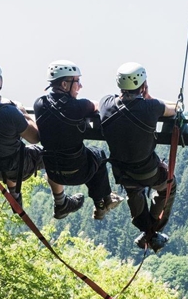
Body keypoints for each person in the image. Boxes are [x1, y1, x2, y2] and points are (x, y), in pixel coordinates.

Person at [0, 60, 76, 212]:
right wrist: (23, 113)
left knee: (5, 149)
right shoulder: (10, 113)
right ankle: (61, 203)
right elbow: (35, 137)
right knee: (53, 156)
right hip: (18, 166)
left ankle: (15, 195)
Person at [98, 62, 178, 252]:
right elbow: (175, 108)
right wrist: (148, 97)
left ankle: (148, 232)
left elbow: (98, 105)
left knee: (134, 191)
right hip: (149, 171)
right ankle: (152, 232)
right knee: (168, 187)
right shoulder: (151, 107)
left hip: (123, 172)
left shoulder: (106, 104)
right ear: (143, 85)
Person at [34, 60, 125, 220]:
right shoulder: (78, 107)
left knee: (90, 157)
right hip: (77, 172)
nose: (80, 86)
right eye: (77, 81)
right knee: (98, 155)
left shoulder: (39, 104)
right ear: (64, 84)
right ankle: (102, 202)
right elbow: (97, 106)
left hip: (53, 172)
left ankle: (102, 202)